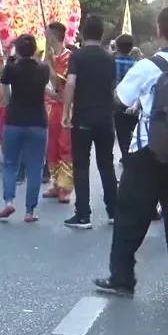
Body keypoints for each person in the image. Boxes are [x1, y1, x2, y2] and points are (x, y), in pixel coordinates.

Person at [94, 4, 168, 303]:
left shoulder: (147, 67)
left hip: (148, 151)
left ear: (159, 29)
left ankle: (122, 277)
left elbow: (120, 98)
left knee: (131, 216)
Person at [62, 16, 118, 229]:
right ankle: (113, 211)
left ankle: (83, 214)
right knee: (106, 165)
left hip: (83, 117)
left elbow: (70, 84)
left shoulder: (78, 56)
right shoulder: (109, 57)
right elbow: (113, 87)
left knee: (82, 165)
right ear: (102, 33)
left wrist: (66, 112)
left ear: (83, 33)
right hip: (105, 118)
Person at [0, 34, 50, 223]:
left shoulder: (10, 69)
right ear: (34, 49)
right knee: (35, 167)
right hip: (38, 122)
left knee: (10, 164)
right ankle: (29, 212)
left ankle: (9, 201)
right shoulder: (43, 69)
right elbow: (50, 87)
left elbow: (4, 98)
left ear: (17, 50)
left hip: (14, 121)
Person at [43, 22, 73, 204]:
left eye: (47, 35)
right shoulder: (50, 57)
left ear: (53, 37)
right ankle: (55, 184)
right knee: (51, 146)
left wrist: (48, 63)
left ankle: (66, 187)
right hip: (49, 107)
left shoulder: (68, 58)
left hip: (64, 107)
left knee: (64, 147)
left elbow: (58, 84)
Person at [112, 34, 140, 155]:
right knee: (135, 132)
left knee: (122, 135)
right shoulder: (137, 65)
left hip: (118, 103)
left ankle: (125, 156)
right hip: (134, 104)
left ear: (116, 47)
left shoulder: (112, 62)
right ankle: (134, 155)